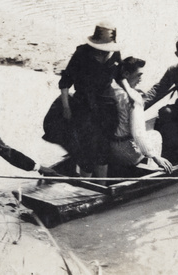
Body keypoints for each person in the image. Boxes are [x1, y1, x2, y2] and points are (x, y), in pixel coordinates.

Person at [45, 21, 122, 181]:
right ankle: (85, 186)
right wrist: (66, 107)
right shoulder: (82, 53)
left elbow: (120, 77)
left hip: (107, 107)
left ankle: (101, 186)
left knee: (103, 147)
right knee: (87, 148)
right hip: (84, 105)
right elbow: (65, 81)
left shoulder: (115, 53)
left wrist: (131, 94)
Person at [109, 57, 173, 173]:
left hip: (109, 148)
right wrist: (155, 157)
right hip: (125, 153)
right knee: (155, 135)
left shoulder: (110, 90)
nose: (141, 79)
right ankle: (152, 171)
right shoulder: (134, 98)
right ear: (126, 74)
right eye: (139, 75)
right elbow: (138, 133)